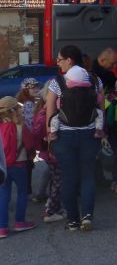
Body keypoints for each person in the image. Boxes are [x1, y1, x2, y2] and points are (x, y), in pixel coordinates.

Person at [45, 44, 108, 232]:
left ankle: (73, 220)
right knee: (88, 176)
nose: (58, 63)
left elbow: (50, 110)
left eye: (59, 60)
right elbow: (101, 107)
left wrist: (50, 135)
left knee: (68, 178)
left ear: (69, 60)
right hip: (89, 134)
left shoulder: (57, 82)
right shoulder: (95, 80)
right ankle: (87, 216)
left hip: (64, 136)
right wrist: (100, 130)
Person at [0, 96, 37, 238]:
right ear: (15, 109)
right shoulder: (21, 126)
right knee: (22, 192)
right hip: (19, 164)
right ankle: (19, 222)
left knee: (4, 195)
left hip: (3, 166)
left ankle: (2, 227)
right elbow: (30, 145)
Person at [31, 88, 64, 223]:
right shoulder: (52, 112)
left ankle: (53, 206)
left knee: (54, 179)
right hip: (54, 151)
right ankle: (51, 211)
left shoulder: (42, 110)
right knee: (57, 181)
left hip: (48, 151)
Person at [16, 78, 40, 196]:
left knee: (24, 165)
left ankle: (25, 190)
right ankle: (26, 191)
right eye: (33, 87)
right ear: (26, 90)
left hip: (19, 137)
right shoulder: (29, 104)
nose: (36, 89)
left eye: (37, 86)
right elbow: (30, 125)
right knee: (27, 165)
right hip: (26, 139)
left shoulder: (20, 102)